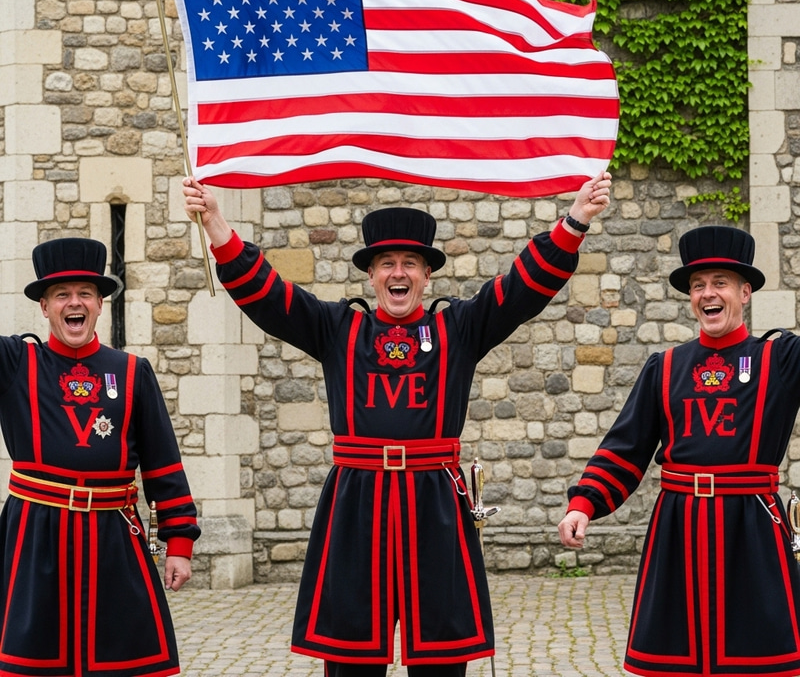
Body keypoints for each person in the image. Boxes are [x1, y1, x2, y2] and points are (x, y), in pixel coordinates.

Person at [184, 171, 612, 676]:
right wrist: (215, 222)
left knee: (442, 660)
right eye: (386, 263)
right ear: (371, 275)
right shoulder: (338, 327)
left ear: (427, 275)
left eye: (410, 262)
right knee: (350, 661)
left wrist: (575, 220)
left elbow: (521, 289)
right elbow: (269, 297)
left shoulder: (460, 327)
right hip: (356, 503)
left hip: (436, 504)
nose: (397, 273)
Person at [558, 225, 800, 677]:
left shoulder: (780, 359)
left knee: (758, 665)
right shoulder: (665, 367)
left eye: (720, 283)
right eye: (698, 286)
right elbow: (625, 448)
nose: (708, 294)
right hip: (678, 530)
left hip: (752, 530)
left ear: (745, 293)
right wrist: (583, 504)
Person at [0, 237, 200, 677]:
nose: (75, 303)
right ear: (45, 307)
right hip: (35, 539)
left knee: (122, 665)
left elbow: (163, 462)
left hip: (114, 539)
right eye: (62, 295)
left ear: (100, 304)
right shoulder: (14, 362)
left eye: (85, 294)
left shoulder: (132, 372)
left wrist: (179, 542)